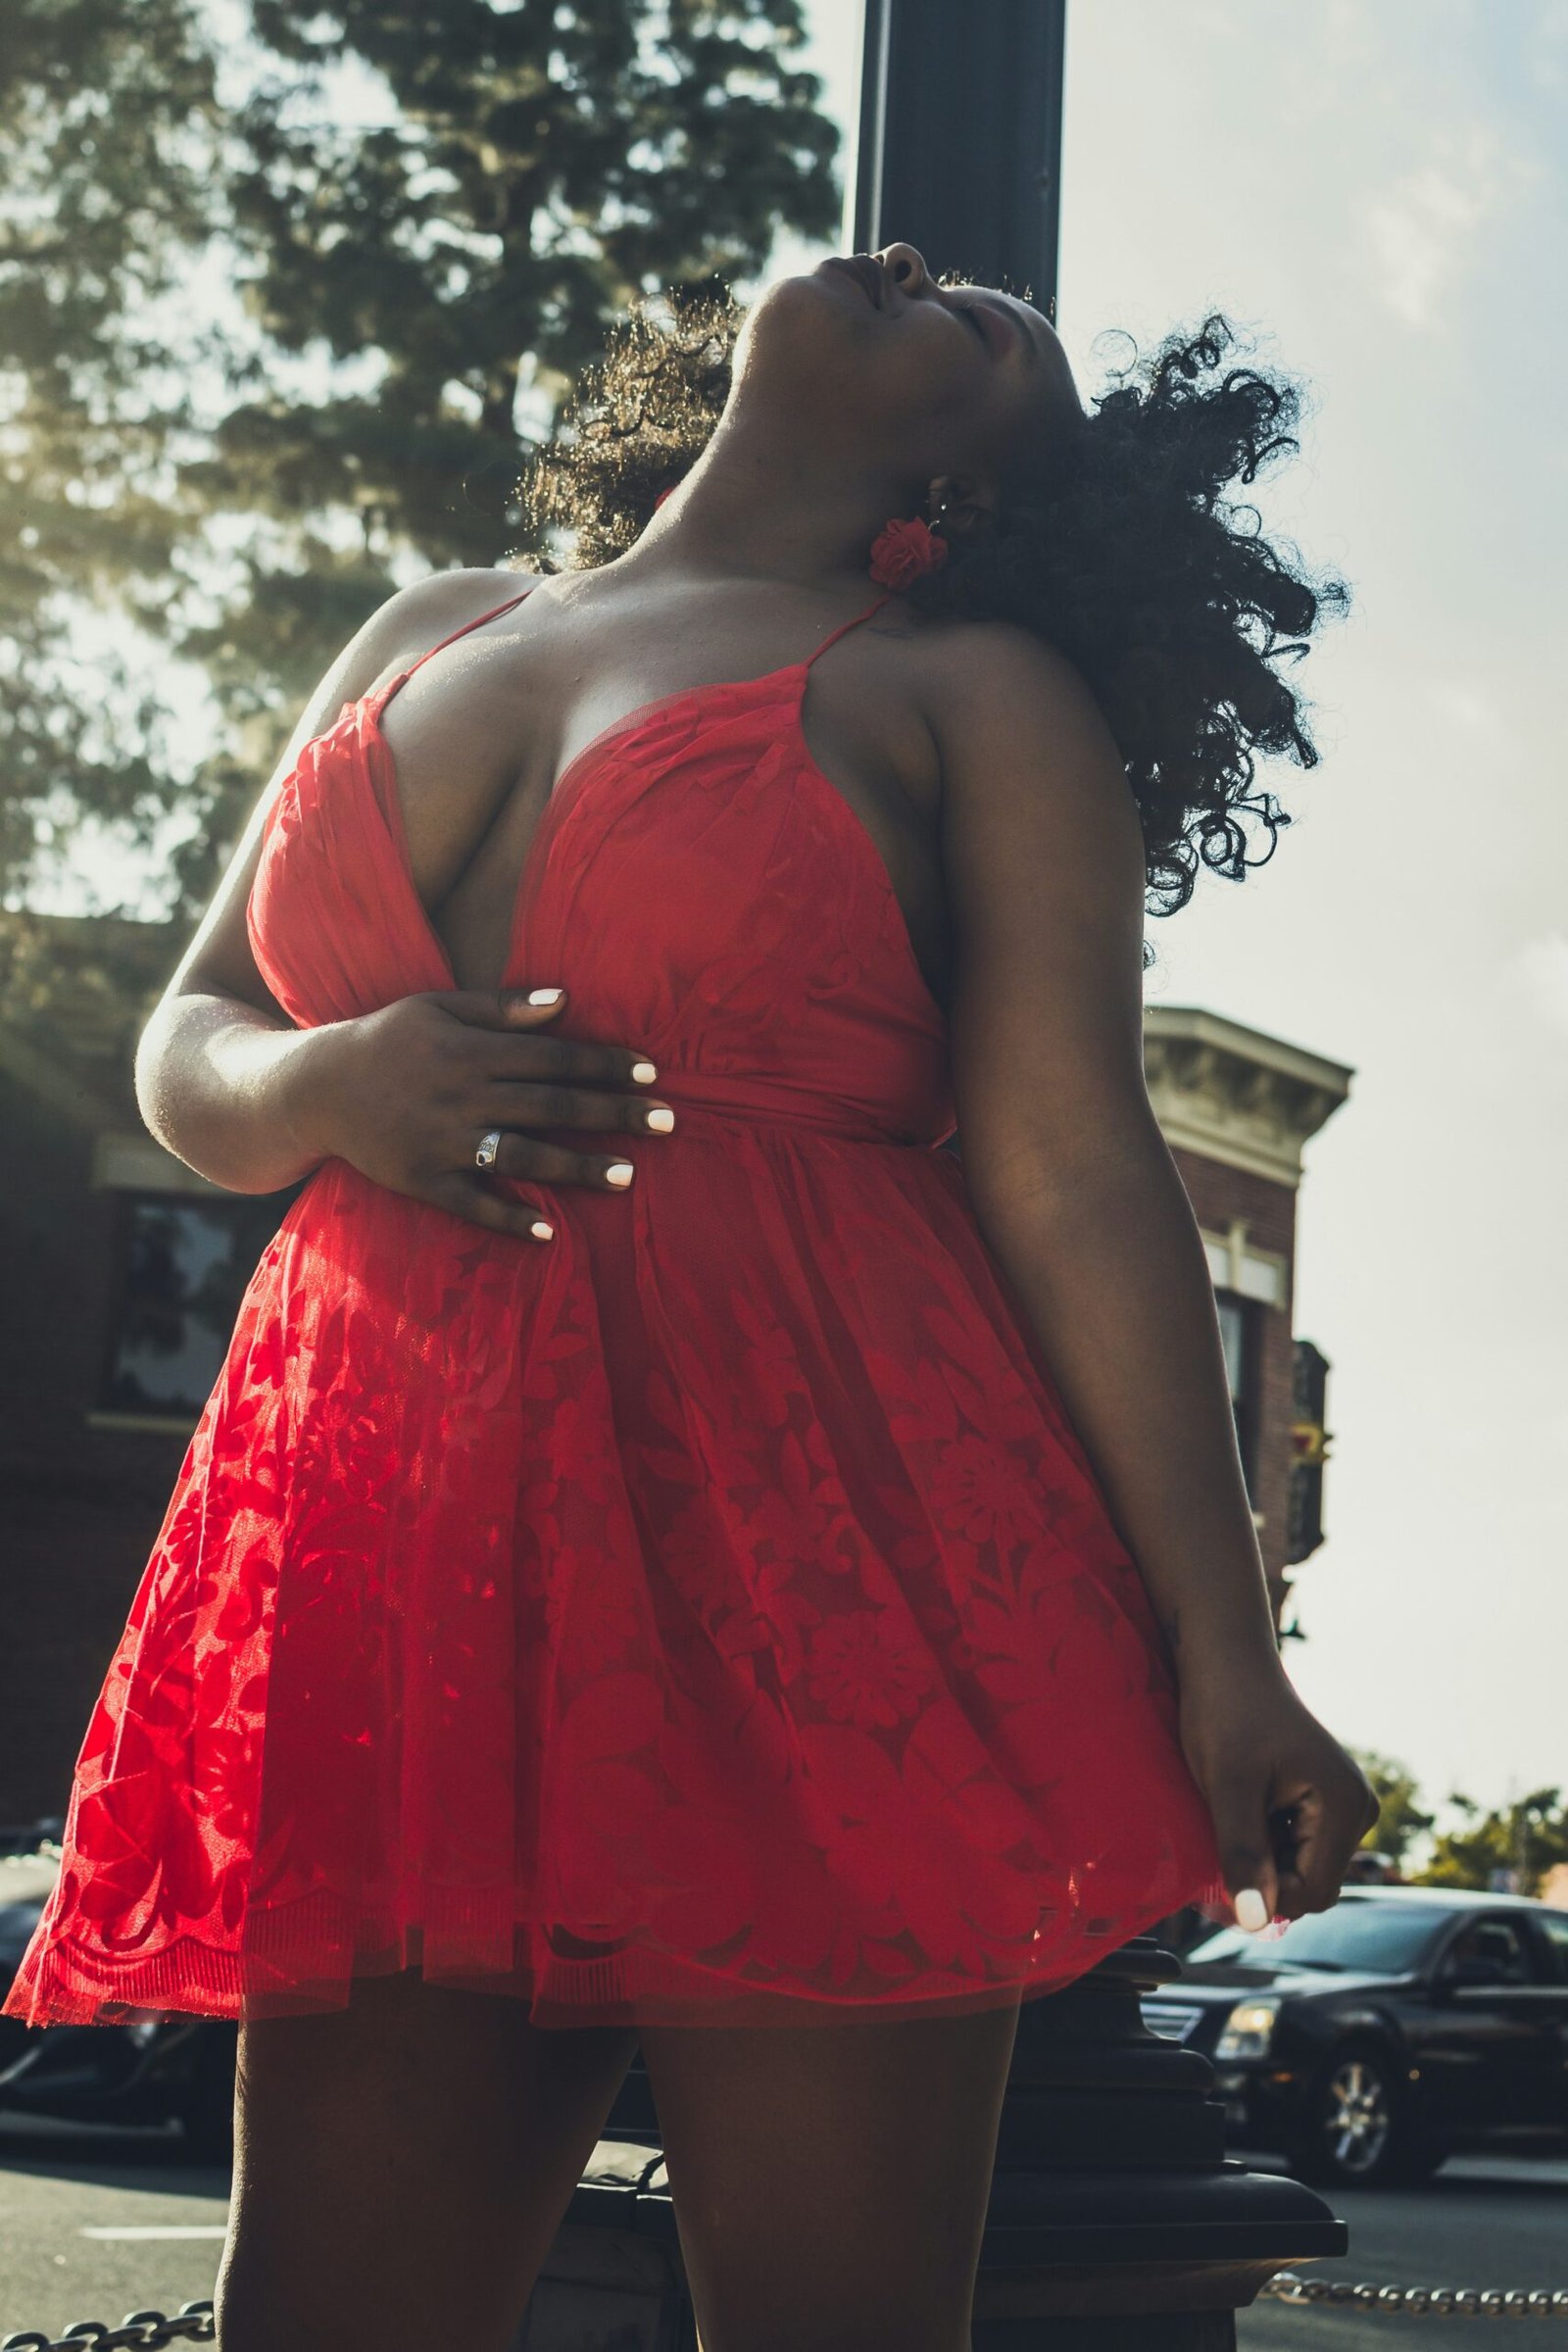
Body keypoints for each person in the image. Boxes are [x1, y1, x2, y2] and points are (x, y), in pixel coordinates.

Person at [5, 244, 1376, 2352]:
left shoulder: (967, 698)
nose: (931, 277)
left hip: (816, 1556)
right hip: (393, 1557)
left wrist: (1228, 1651)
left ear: (977, 491)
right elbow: (187, 1048)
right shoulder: (430, 624)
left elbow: (1076, 1172)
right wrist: (324, 1079)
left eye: (990, 332)